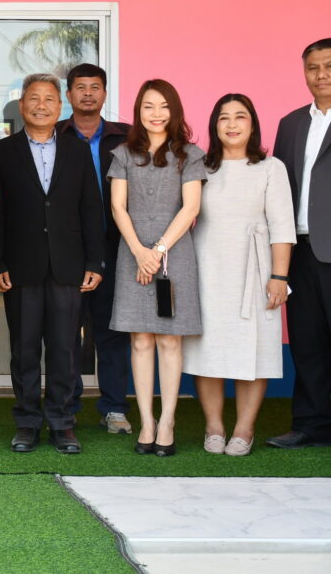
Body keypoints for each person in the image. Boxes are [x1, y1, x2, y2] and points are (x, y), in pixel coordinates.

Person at [0, 74, 104, 454]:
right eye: (34, 98)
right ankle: (26, 422)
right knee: (23, 350)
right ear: (21, 105)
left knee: (65, 349)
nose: (41, 105)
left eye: (49, 99)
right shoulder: (0, 152)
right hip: (19, 268)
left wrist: (95, 261)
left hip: (68, 266)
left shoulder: (77, 151)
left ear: (60, 106)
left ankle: (62, 422)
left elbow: (90, 207)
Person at [184, 94, 295, 456]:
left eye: (240, 116)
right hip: (207, 268)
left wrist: (279, 276)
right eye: (224, 117)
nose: (232, 124)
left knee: (255, 350)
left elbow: (282, 225)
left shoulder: (270, 167)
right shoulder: (201, 167)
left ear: (252, 124)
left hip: (256, 269)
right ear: (214, 125)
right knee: (207, 348)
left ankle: (244, 428)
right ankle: (214, 426)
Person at [108, 79, 205, 457]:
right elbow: (118, 207)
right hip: (132, 253)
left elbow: (191, 208)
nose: (156, 113)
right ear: (139, 111)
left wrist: (158, 250)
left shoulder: (190, 155)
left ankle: (167, 421)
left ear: (174, 110)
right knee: (140, 340)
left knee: (169, 339)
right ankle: (146, 421)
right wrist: (139, 251)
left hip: (175, 256)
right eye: (148, 106)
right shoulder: (123, 154)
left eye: (164, 106)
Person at [57, 64, 133, 434]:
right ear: (68, 94)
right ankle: (66, 406)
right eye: (80, 87)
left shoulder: (127, 137)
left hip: (117, 247)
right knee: (66, 332)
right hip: (66, 250)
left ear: (104, 93)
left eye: (95, 87)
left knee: (113, 330)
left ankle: (114, 407)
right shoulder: (54, 135)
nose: (88, 93)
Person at [269, 38, 331, 449]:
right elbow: (280, 188)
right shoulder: (291, 124)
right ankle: (311, 424)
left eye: (329, 66)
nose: (321, 75)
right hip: (300, 249)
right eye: (313, 67)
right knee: (307, 342)